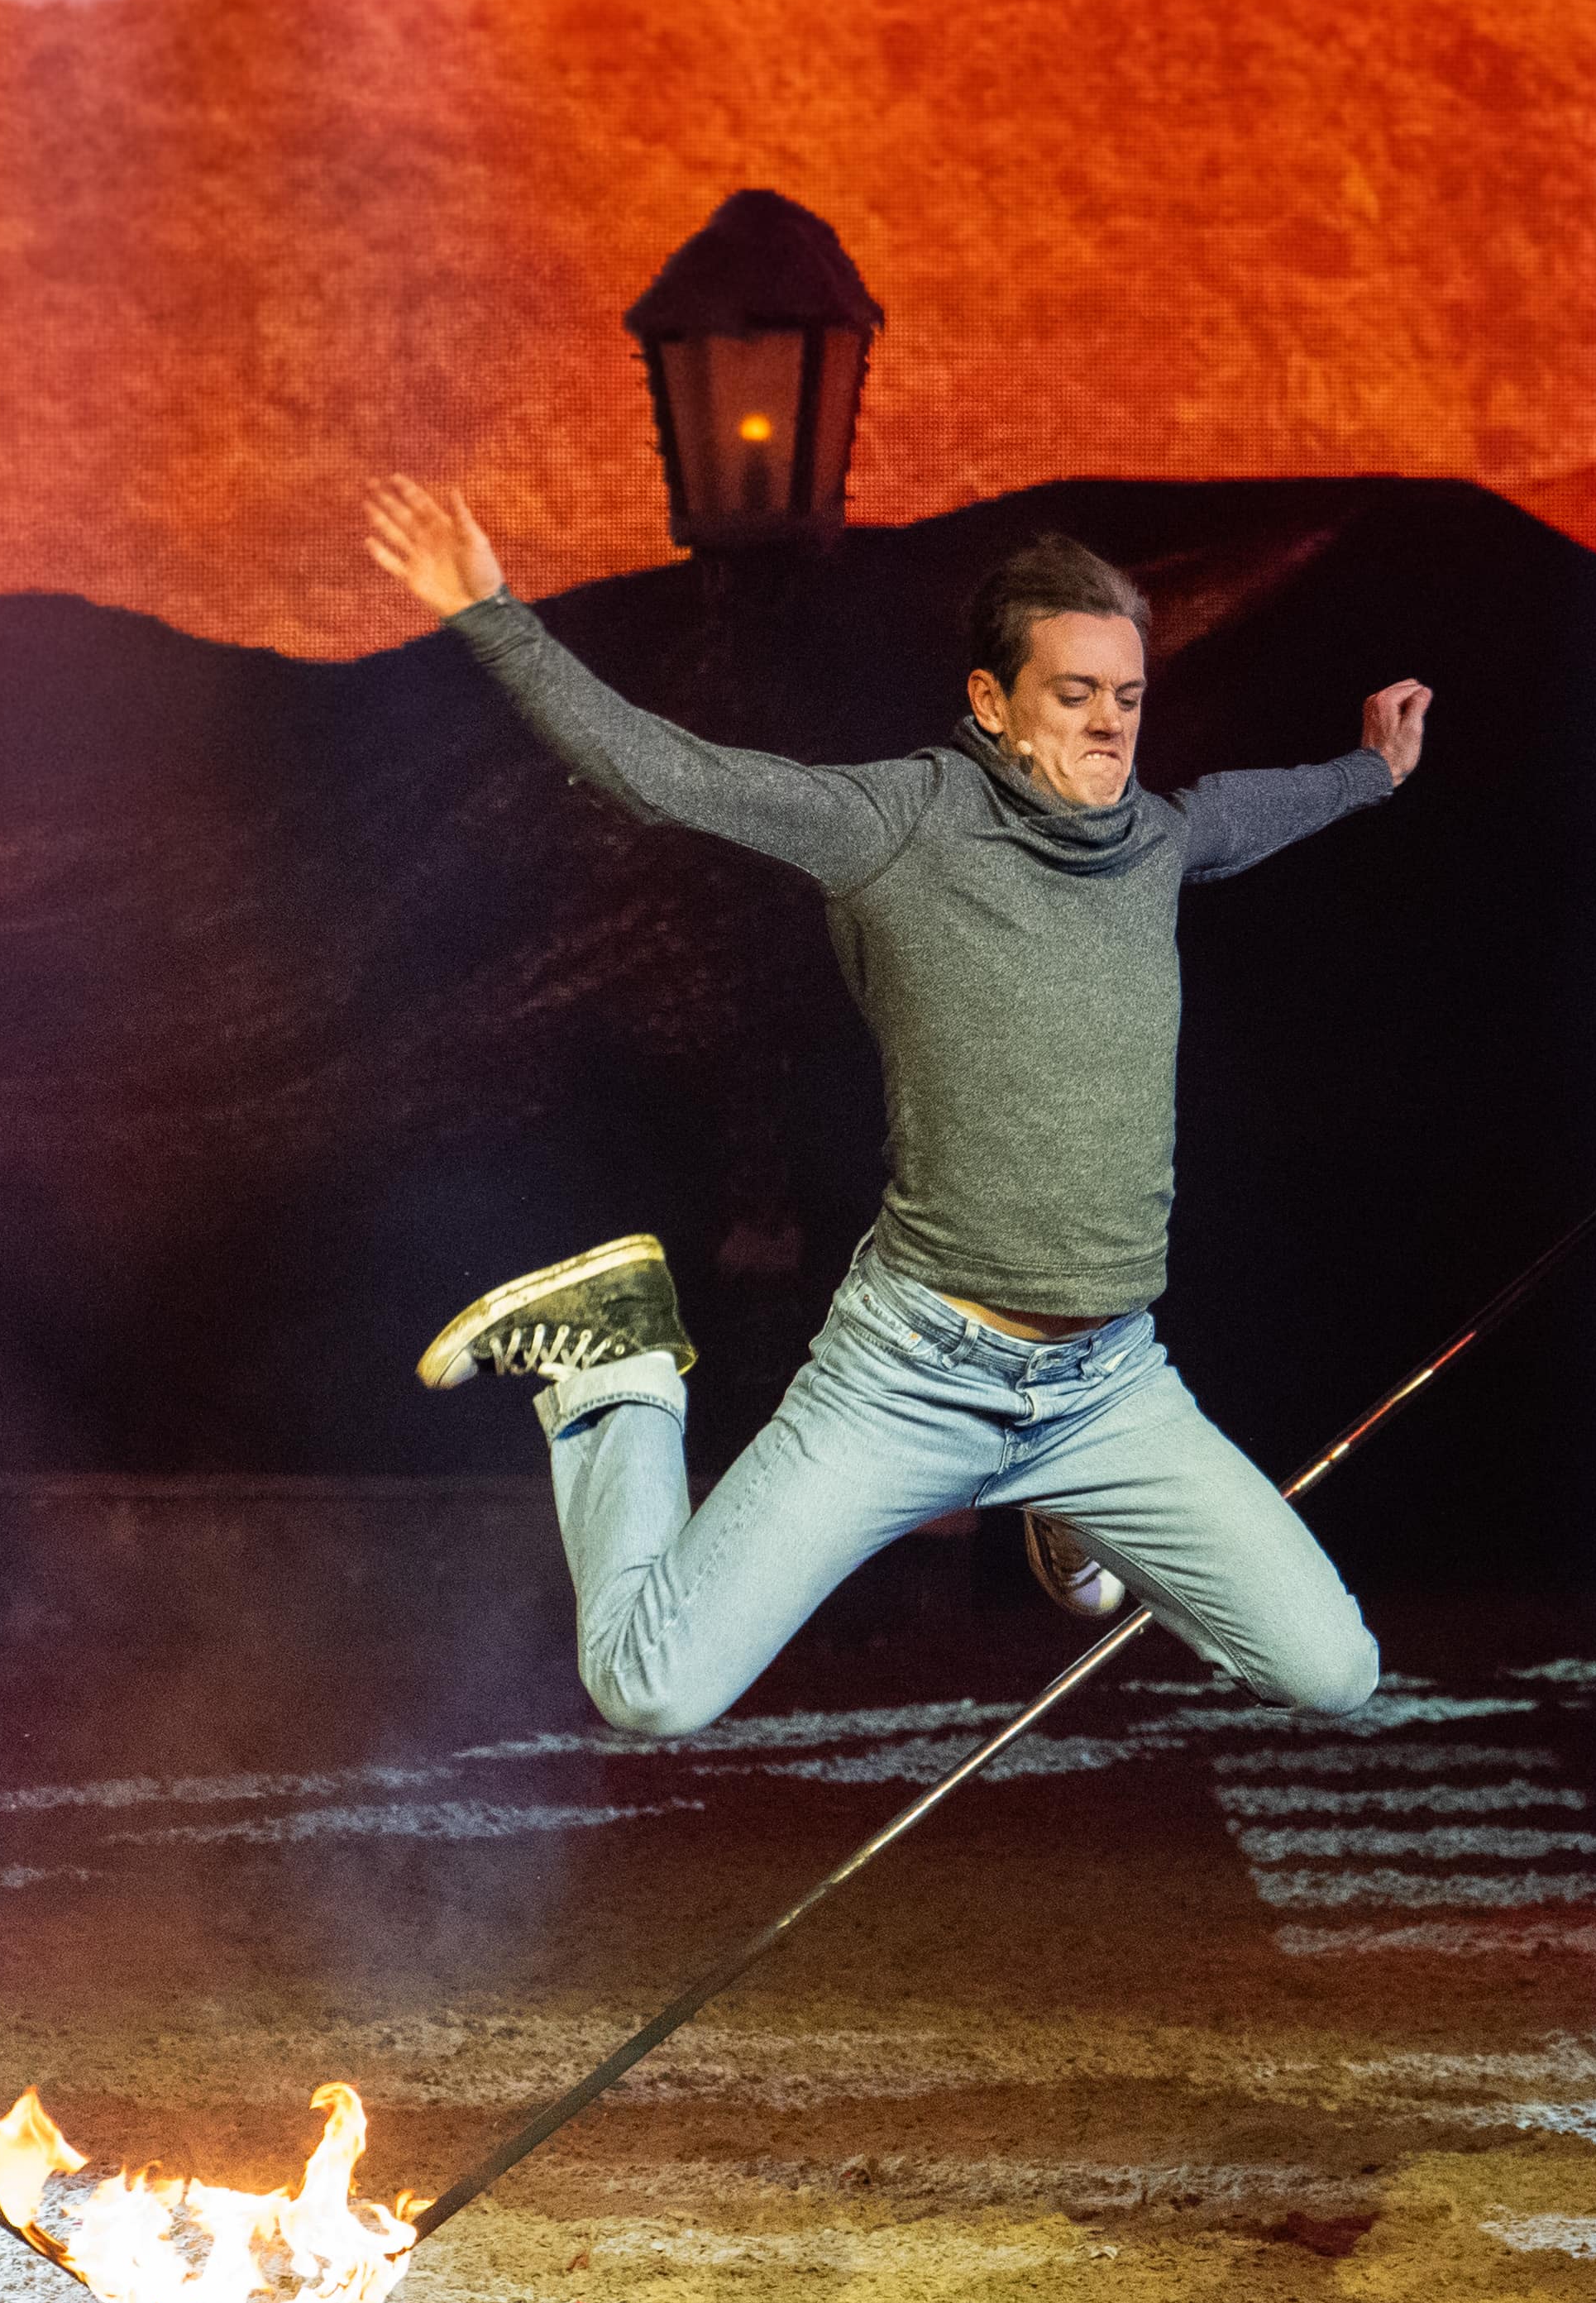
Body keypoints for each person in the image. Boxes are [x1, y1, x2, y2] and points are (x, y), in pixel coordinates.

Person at [364, 475, 1426, 1738]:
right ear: (991, 702)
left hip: (1108, 1386)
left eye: (1127, 697)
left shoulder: (1151, 839)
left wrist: (1372, 769)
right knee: (650, 1689)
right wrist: (489, 614)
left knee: (1334, 1674)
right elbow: (664, 776)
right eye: (1073, 694)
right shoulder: (897, 823)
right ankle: (615, 1368)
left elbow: (1246, 813)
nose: (1109, 724)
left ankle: (1072, 1509)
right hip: (910, 1376)